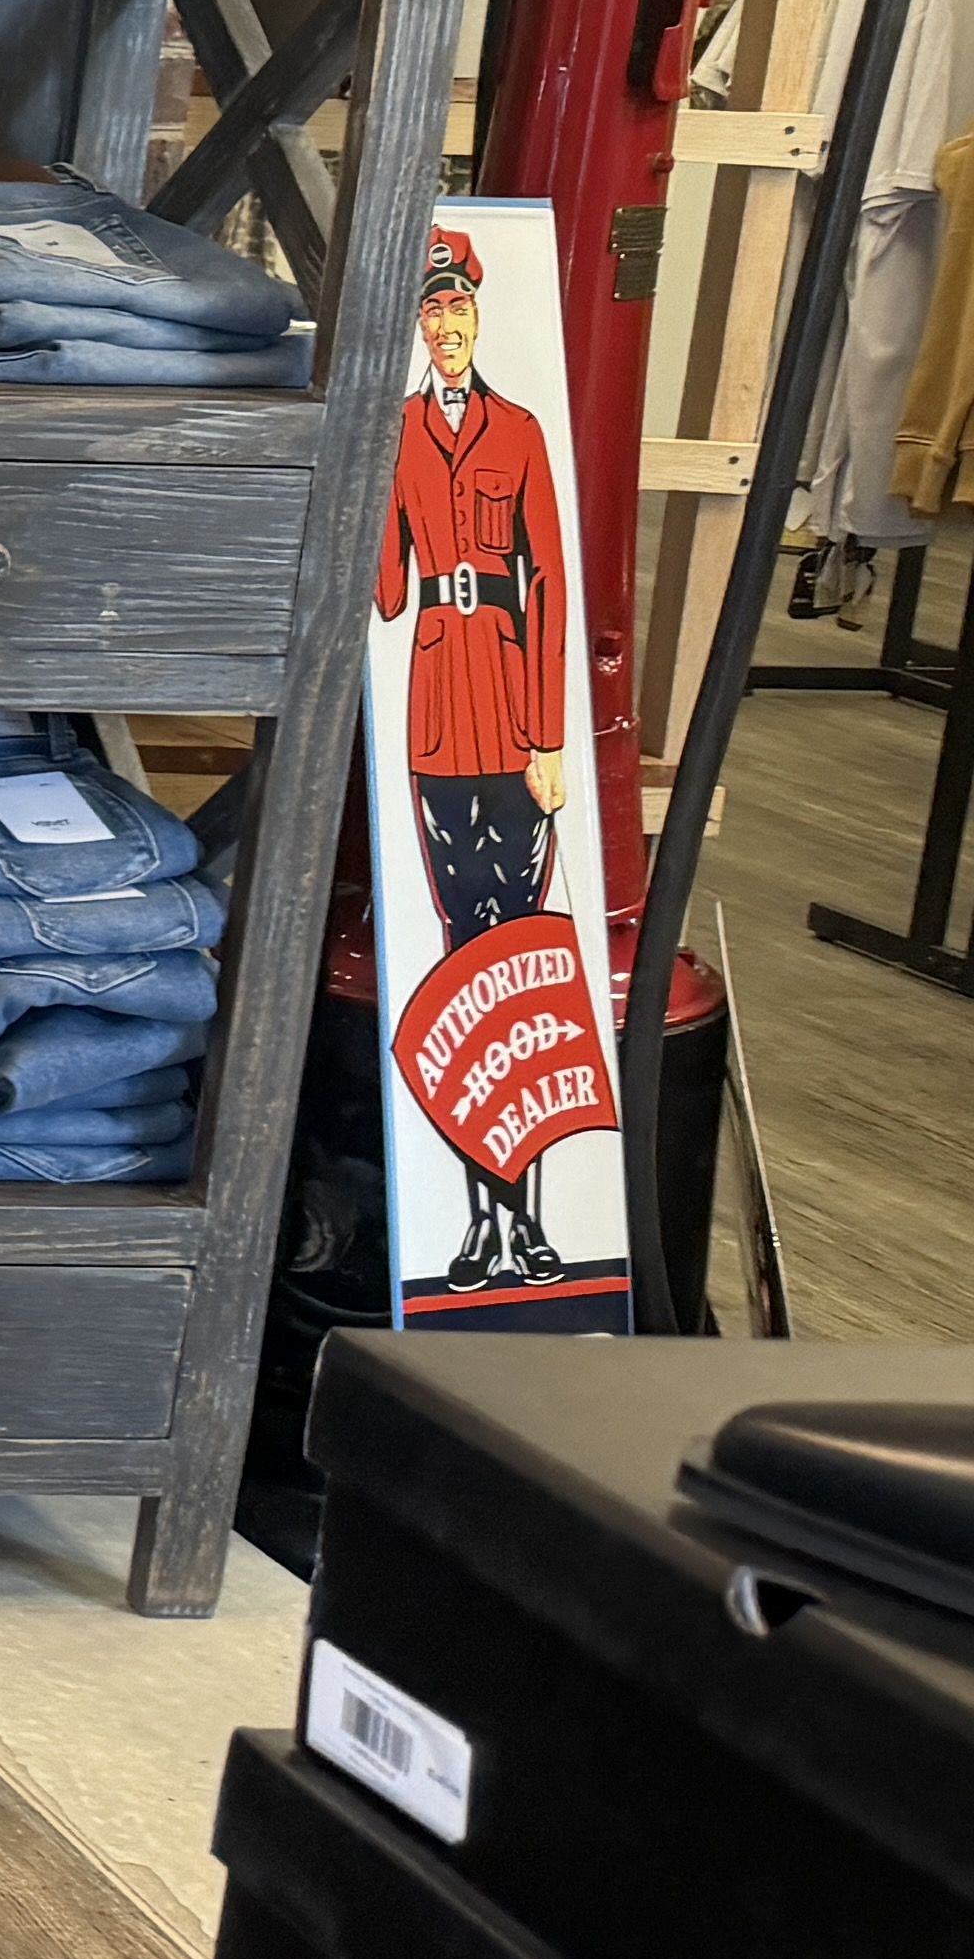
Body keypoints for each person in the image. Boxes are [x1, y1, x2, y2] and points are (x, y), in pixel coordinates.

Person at [377, 224, 578, 1287]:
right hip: (434, 719)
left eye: (457, 309)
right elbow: (386, 592)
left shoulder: (523, 431)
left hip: (508, 710)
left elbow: (548, 583)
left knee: (515, 971)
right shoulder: (401, 431)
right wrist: (367, 468)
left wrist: (548, 738)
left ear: (478, 314)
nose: (446, 327)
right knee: (463, 966)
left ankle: (527, 1220)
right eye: (429, 312)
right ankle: (481, 1228)